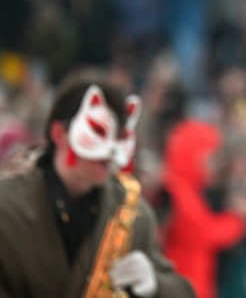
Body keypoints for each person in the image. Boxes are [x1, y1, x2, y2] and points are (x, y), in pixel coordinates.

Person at [0, 73, 195, 297]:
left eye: (120, 137)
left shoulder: (133, 215)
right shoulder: (6, 207)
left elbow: (183, 292)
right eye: (99, 131)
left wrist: (155, 285)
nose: (111, 151)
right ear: (59, 134)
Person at [161, 119, 246, 298]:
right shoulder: (178, 191)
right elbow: (207, 233)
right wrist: (237, 218)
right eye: (207, 157)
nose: (210, 165)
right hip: (183, 285)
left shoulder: (189, 190)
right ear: (192, 155)